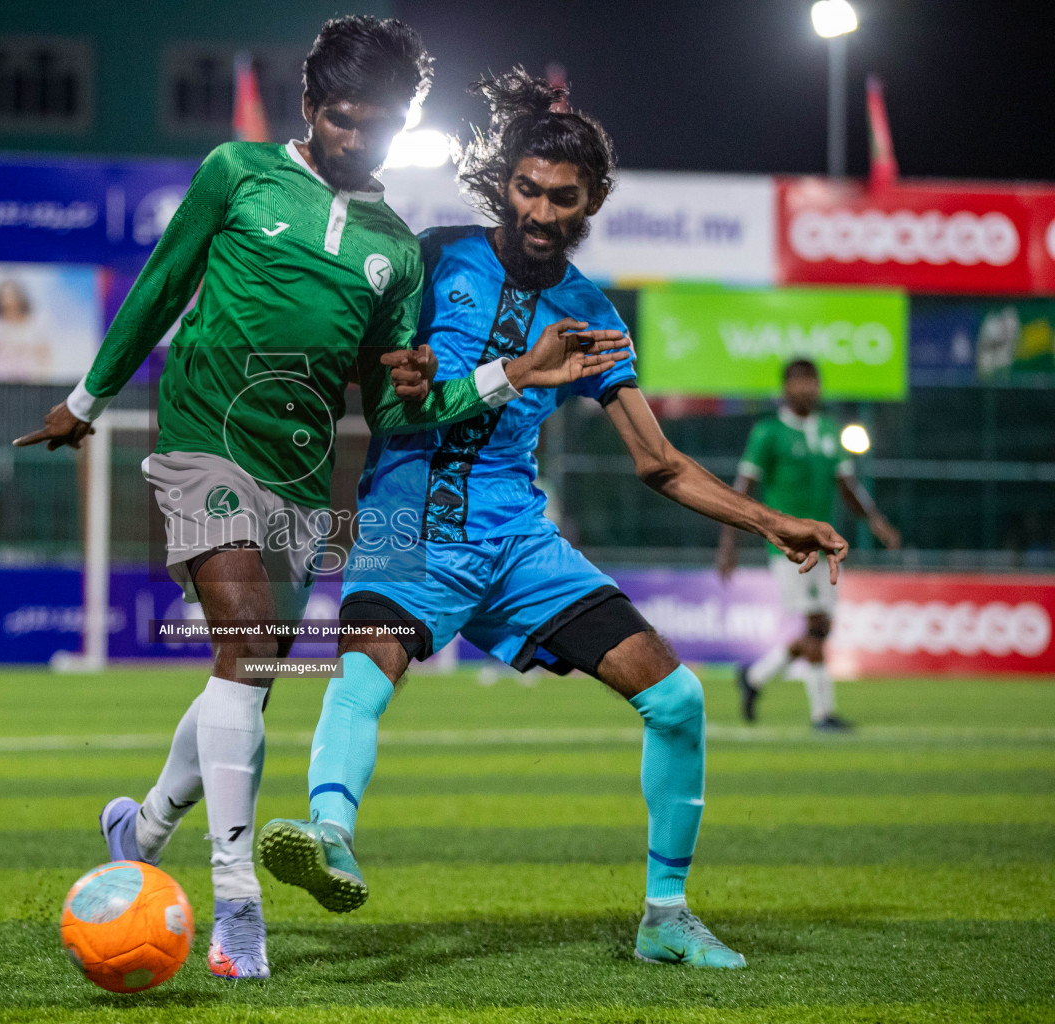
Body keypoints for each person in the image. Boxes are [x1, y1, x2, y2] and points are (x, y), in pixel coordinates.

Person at [13, 23, 630, 980]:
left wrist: (490, 377)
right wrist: (86, 401)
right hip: (202, 443)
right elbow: (161, 283)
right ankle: (236, 906)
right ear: (310, 108)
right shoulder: (238, 172)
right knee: (252, 646)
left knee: (244, 675)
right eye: (344, 120)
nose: (358, 141)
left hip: (300, 480)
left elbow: (392, 405)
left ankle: (143, 826)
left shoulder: (396, 249)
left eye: (380, 129)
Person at [258, 68, 850, 970]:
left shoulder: (591, 312)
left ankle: (665, 916)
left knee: (678, 697)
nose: (539, 211)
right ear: (503, 183)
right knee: (363, 677)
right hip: (406, 522)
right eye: (526, 189)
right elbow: (386, 397)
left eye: (561, 199)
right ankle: (329, 835)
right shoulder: (432, 256)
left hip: (516, 542)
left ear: (591, 204)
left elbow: (657, 462)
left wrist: (772, 520)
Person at [717, 359, 901, 731]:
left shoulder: (831, 430)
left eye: (812, 382)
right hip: (788, 548)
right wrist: (728, 542)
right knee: (815, 624)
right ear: (785, 388)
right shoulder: (768, 432)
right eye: (799, 382)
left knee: (820, 629)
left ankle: (754, 677)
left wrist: (875, 520)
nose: (807, 389)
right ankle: (822, 715)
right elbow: (742, 489)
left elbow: (847, 486)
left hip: (827, 547)